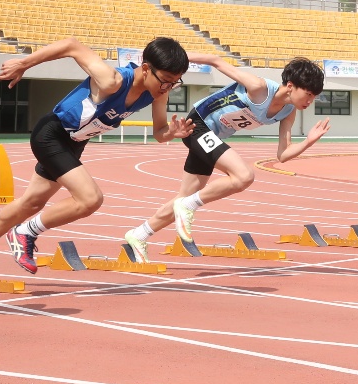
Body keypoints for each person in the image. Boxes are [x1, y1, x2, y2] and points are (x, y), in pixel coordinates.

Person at [0, 37, 193, 277]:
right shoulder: (113, 80)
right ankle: (26, 232)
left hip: (74, 144)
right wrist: (24, 63)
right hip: (51, 134)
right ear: (145, 68)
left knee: (31, 203)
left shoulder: (157, 94)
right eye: (166, 81)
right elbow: (71, 45)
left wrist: (171, 134)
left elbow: (159, 132)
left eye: (175, 83)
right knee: (90, 198)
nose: (168, 88)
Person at [123, 55, 328, 260]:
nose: (310, 101)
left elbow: (282, 154)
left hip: (210, 137)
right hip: (197, 125)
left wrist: (308, 141)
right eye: (308, 94)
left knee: (185, 197)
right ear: (291, 86)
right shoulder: (259, 88)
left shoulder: (288, 111)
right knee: (243, 175)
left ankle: (139, 235)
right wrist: (176, 57)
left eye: (315, 96)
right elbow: (216, 60)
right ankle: (187, 206)